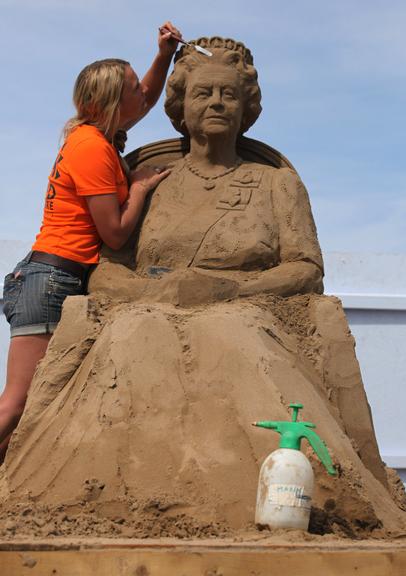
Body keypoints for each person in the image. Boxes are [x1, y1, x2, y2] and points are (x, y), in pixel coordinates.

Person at [0, 21, 182, 460]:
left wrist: (163, 56)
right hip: (50, 279)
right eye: (134, 87)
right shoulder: (92, 149)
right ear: (112, 102)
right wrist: (138, 188)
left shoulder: (96, 135)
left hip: (54, 276)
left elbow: (147, 100)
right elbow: (114, 231)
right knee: (19, 402)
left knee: (34, 405)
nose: (144, 94)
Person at [89, 36, 324, 303]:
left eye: (229, 94)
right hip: (149, 316)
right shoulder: (150, 180)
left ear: (245, 108)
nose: (216, 102)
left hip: (246, 318)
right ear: (182, 104)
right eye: (203, 93)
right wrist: (160, 293)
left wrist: (229, 291)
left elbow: (307, 270)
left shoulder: (278, 183)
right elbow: (105, 270)